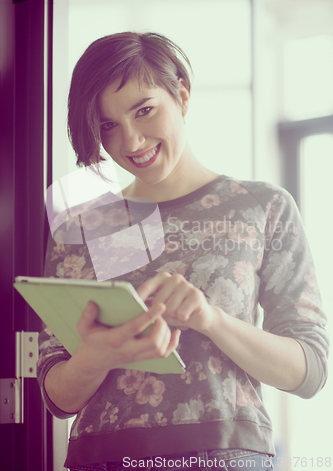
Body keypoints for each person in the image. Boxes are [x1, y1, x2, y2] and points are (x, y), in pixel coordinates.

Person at [37, 32, 329, 471]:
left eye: (145, 110)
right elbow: (56, 395)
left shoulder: (263, 207)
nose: (132, 142)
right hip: (103, 459)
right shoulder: (79, 228)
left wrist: (213, 320)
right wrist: (100, 355)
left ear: (182, 94)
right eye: (108, 125)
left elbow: (310, 370)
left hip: (229, 454)